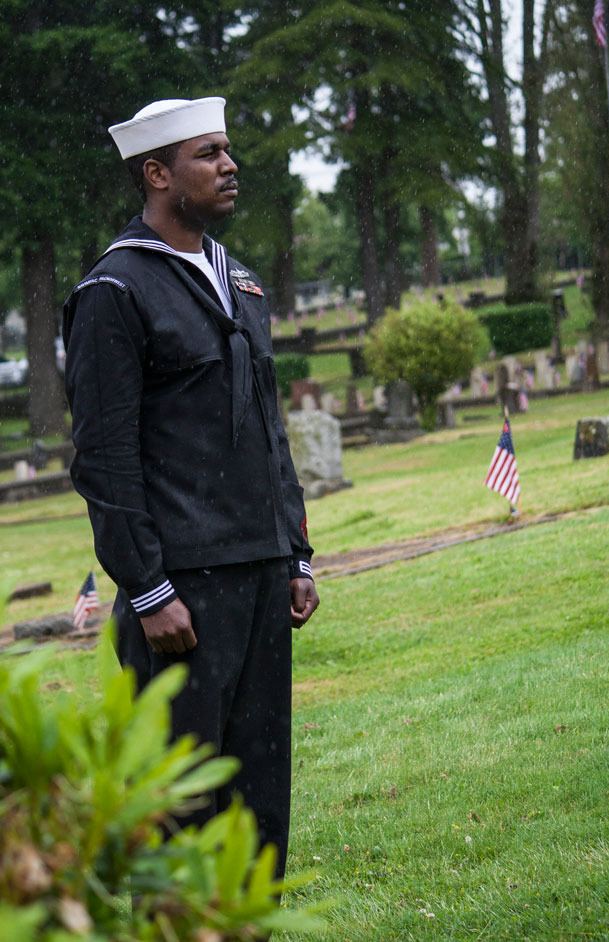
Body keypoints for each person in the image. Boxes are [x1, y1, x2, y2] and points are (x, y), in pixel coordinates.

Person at [63, 97, 319, 876]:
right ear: (157, 173)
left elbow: (267, 428)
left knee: (257, 801)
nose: (229, 165)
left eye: (227, 151)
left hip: (259, 572)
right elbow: (104, 458)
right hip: (181, 591)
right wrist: (146, 588)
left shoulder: (238, 281)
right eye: (207, 154)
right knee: (182, 808)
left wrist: (295, 553)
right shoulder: (116, 290)